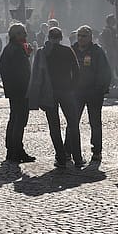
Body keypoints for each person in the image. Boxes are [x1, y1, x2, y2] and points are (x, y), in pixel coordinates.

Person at [30, 27, 82, 167]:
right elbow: (76, 71)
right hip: (66, 90)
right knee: (73, 124)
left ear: (48, 37)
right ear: (60, 38)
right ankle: (77, 157)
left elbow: (36, 74)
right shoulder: (67, 51)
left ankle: (60, 157)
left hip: (49, 92)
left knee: (54, 126)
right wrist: (73, 86)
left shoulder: (43, 53)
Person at [72, 25, 111, 163]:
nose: (81, 38)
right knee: (72, 122)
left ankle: (97, 151)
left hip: (94, 92)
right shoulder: (73, 50)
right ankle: (68, 150)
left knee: (95, 123)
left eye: (84, 36)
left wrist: (100, 89)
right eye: (79, 35)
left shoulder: (97, 51)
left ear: (90, 37)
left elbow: (105, 71)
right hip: (76, 92)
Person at [0, 23, 35, 163]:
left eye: (25, 33)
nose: (25, 35)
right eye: (22, 33)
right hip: (20, 90)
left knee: (14, 119)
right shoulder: (16, 49)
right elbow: (21, 71)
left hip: (14, 89)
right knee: (20, 120)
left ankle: (12, 149)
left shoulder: (10, 48)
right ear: (15, 35)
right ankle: (16, 150)